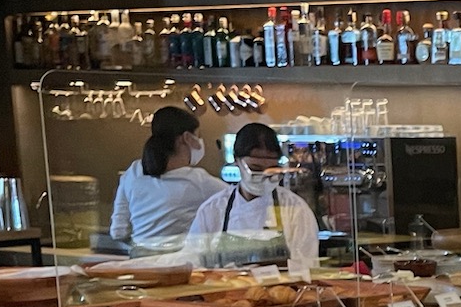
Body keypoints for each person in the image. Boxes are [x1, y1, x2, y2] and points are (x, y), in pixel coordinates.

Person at [184, 122, 321, 272]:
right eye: (255, 169)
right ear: (237, 161)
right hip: (227, 294)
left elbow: (308, 268)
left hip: (281, 293)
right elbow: (194, 265)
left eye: (271, 171)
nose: (263, 176)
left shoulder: (295, 209)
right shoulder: (212, 210)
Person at [107, 106, 226, 253]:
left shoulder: (132, 172)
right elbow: (241, 201)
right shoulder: (199, 182)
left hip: (139, 266)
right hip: (179, 265)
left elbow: (118, 232)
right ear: (187, 138)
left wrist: (145, 246)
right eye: (198, 136)